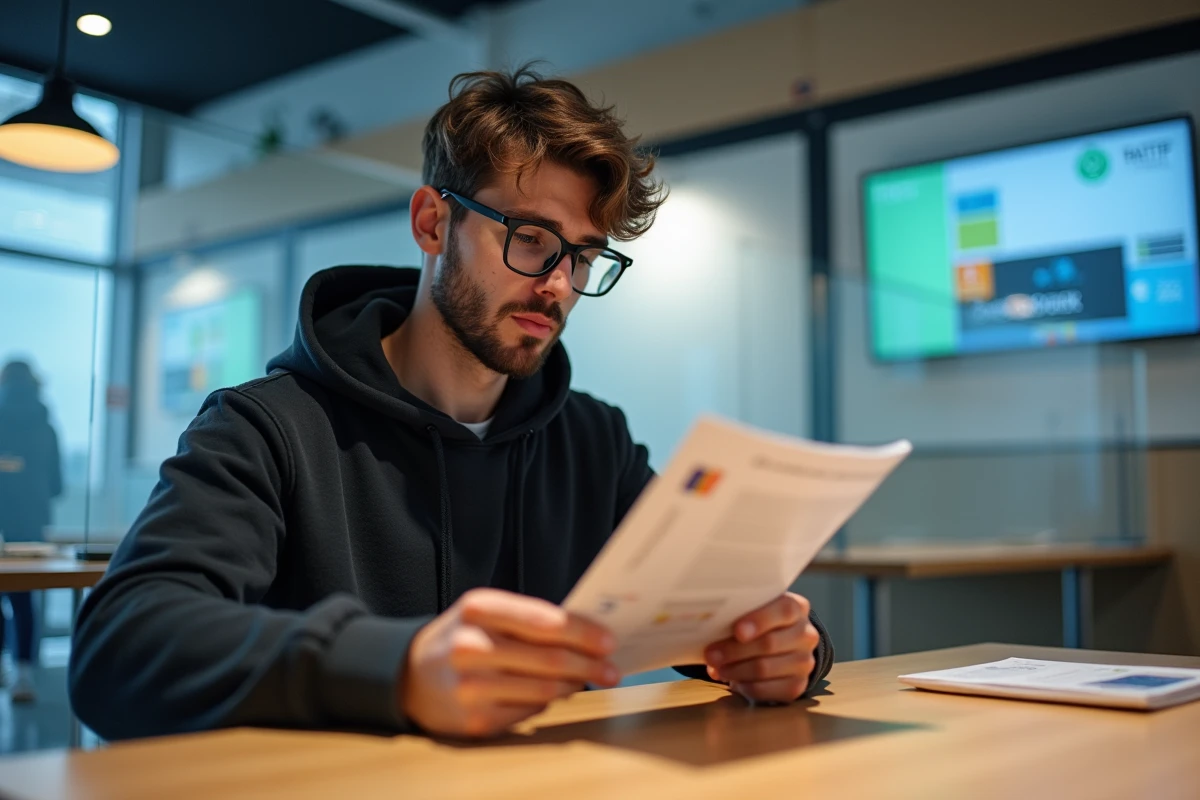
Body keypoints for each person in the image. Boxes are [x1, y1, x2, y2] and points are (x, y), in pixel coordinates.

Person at [69, 66, 833, 741]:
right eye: (532, 239)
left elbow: (717, 609)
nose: (559, 284)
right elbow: (119, 648)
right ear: (433, 223)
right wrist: (394, 668)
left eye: (585, 255)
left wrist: (787, 651)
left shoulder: (592, 440)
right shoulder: (269, 426)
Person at [0, 359, 63, 704]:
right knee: (24, 599)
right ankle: (23, 674)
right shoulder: (46, 425)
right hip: (31, 522)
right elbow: (56, 484)